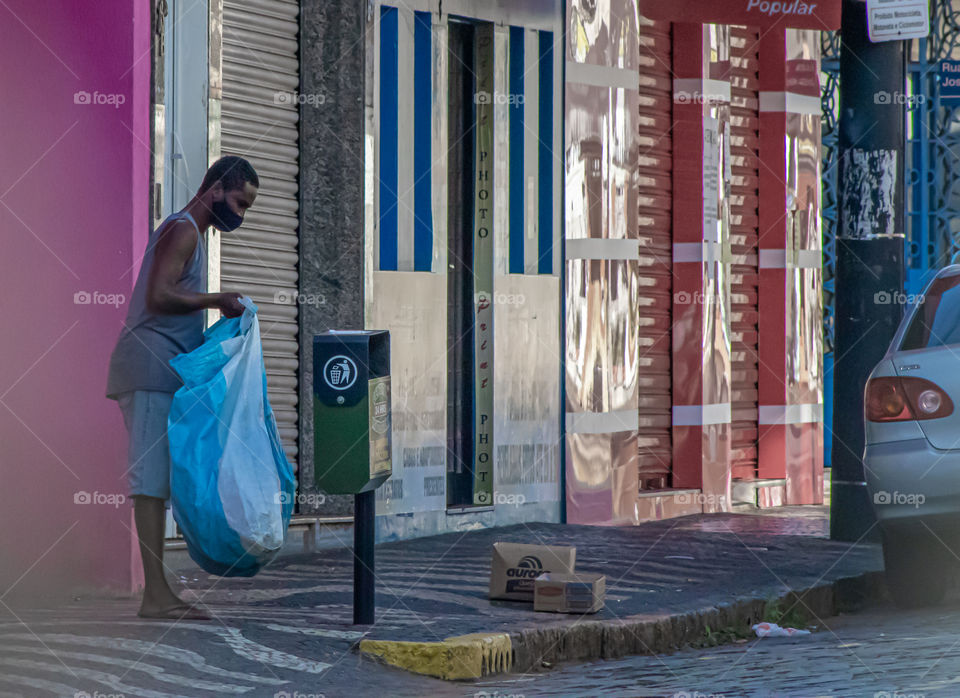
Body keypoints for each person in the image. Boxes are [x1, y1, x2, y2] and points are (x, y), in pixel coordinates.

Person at [106, 155, 259, 619]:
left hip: (161, 372)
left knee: (159, 482)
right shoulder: (186, 229)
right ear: (214, 189)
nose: (241, 215)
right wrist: (217, 300)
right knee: (150, 485)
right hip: (148, 370)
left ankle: (160, 590)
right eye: (239, 202)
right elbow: (158, 295)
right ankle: (155, 596)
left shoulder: (194, 232)